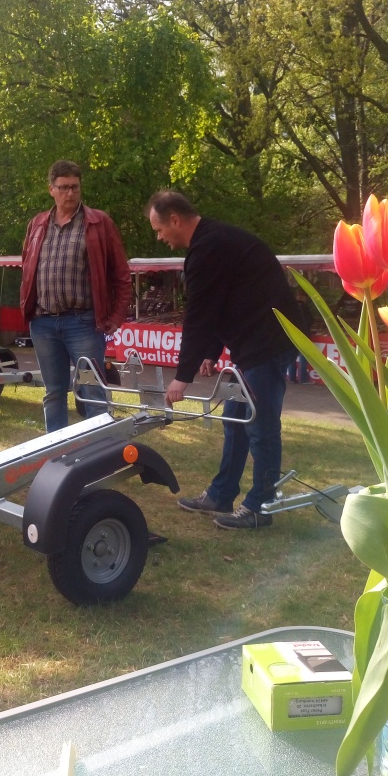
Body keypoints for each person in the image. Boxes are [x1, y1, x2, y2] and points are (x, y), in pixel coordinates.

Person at [145, 190, 307, 531]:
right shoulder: (213, 241)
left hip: (268, 343)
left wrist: (182, 377)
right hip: (251, 342)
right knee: (235, 418)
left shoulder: (208, 247)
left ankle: (260, 507)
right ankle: (221, 494)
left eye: (159, 229)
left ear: (175, 219)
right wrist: (210, 352)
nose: (160, 237)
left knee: (260, 426)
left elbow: (199, 314)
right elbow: (225, 300)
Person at [20, 160, 131, 433]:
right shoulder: (37, 224)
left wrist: (116, 318)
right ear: (51, 190)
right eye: (64, 187)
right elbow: (26, 268)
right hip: (43, 323)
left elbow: (121, 274)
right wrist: (29, 311)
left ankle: (99, 453)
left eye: (75, 187)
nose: (70, 193)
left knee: (93, 392)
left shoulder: (98, 222)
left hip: (83, 323)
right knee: (54, 393)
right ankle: (56, 454)